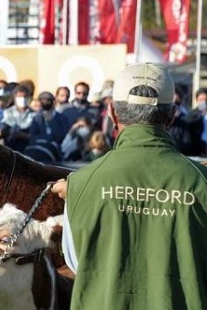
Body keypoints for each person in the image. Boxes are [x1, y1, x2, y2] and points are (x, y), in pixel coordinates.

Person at [51, 63, 207, 309]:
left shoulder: (80, 185)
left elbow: (78, 263)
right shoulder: (202, 181)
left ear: (112, 112)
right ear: (173, 114)